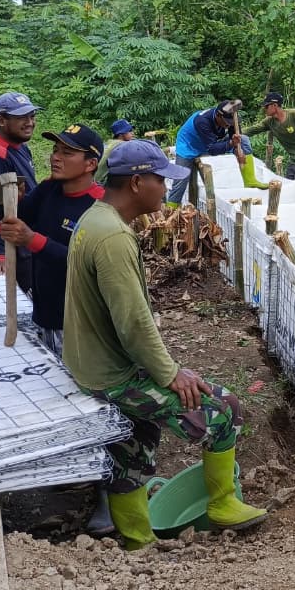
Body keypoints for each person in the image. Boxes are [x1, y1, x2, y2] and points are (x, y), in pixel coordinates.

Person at [64, 139, 267, 547]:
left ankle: (139, 540)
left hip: (91, 364)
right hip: (114, 374)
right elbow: (134, 323)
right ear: (137, 182)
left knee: (134, 447)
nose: (166, 188)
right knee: (223, 409)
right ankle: (222, 504)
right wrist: (171, 373)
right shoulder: (113, 239)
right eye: (161, 180)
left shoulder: (95, 219)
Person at [0, 124, 105, 357]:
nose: (56, 158)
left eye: (67, 153)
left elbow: (87, 263)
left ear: (91, 164)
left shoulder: (99, 207)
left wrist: (32, 239)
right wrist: (15, 202)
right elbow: (25, 215)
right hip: (44, 309)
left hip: (77, 321)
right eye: (55, 150)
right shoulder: (49, 189)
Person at [0, 92, 40, 277]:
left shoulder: (21, 148)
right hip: (11, 245)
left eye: (32, 116)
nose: (29, 123)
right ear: (2, 120)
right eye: (21, 118)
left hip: (24, 234)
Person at [166, 102, 253, 204]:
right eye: (226, 122)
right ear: (218, 116)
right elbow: (212, 150)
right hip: (188, 147)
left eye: (230, 123)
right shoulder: (202, 121)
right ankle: (171, 210)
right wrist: (231, 143)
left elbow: (235, 137)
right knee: (180, 181)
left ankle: (250, 180)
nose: (228, 125)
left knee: (244, 140)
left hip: (210, 143)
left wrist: (239, 151)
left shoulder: (231, 119)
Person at [243, 91, 295, 182]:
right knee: (289, 187)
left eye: (266, 106)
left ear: (275, 105)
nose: (264, 109)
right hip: (293, 160)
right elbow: (252, 129)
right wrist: (235, 133)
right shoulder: (269, 122)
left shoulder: (294, 115)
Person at [94, 118, 135, 185]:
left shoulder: (109, 142)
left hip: (91, 179)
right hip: (98, 183)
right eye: (129, 131)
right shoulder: (122, 145)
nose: (132, 133)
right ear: (121, 134)